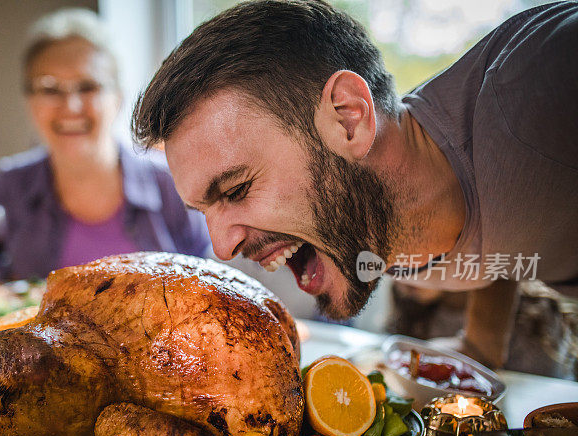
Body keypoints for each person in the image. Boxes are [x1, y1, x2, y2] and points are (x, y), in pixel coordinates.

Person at [132, 0, 578, 369]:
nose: (222, 247)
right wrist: (481, 345)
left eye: (235, 190)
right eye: (203, 211)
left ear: (348, 119)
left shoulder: (538, 96)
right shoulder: (383, 221)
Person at [0, 9, 209, 280]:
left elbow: (215, 279)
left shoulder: (171, 184)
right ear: (29, 101)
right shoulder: (11, 185)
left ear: (118, 98)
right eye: (49, 88)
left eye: (87, 87)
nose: (70, 106)